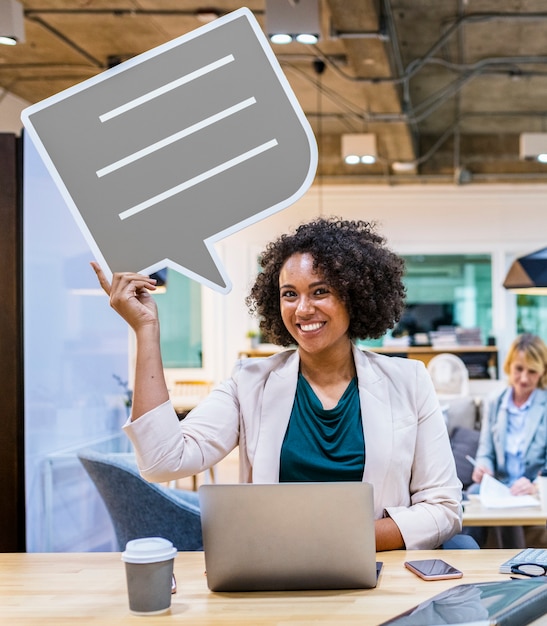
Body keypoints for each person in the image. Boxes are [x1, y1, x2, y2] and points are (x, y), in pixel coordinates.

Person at [91, 216, 462, 551]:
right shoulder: (250, 382)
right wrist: (146, 330)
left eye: (321, 291)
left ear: (356, 297)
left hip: (375, 571)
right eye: (290, 294)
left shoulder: (408, 382)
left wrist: (341, 540)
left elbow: (444, 508)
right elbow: (161, 461)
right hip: (277, 574)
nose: (302, 309)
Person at [466, 333, 547, 547]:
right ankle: (469, 560)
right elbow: (485, 450)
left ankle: (515, 565)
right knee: (471, 495)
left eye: (532, 371)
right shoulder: (494, 402)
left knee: (506, 506)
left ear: (542, 372)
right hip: (501, 484)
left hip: (533, 488)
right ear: (509, 366)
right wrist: (483, 466)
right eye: (519, 369)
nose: (523, 378)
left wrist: (536, 486)